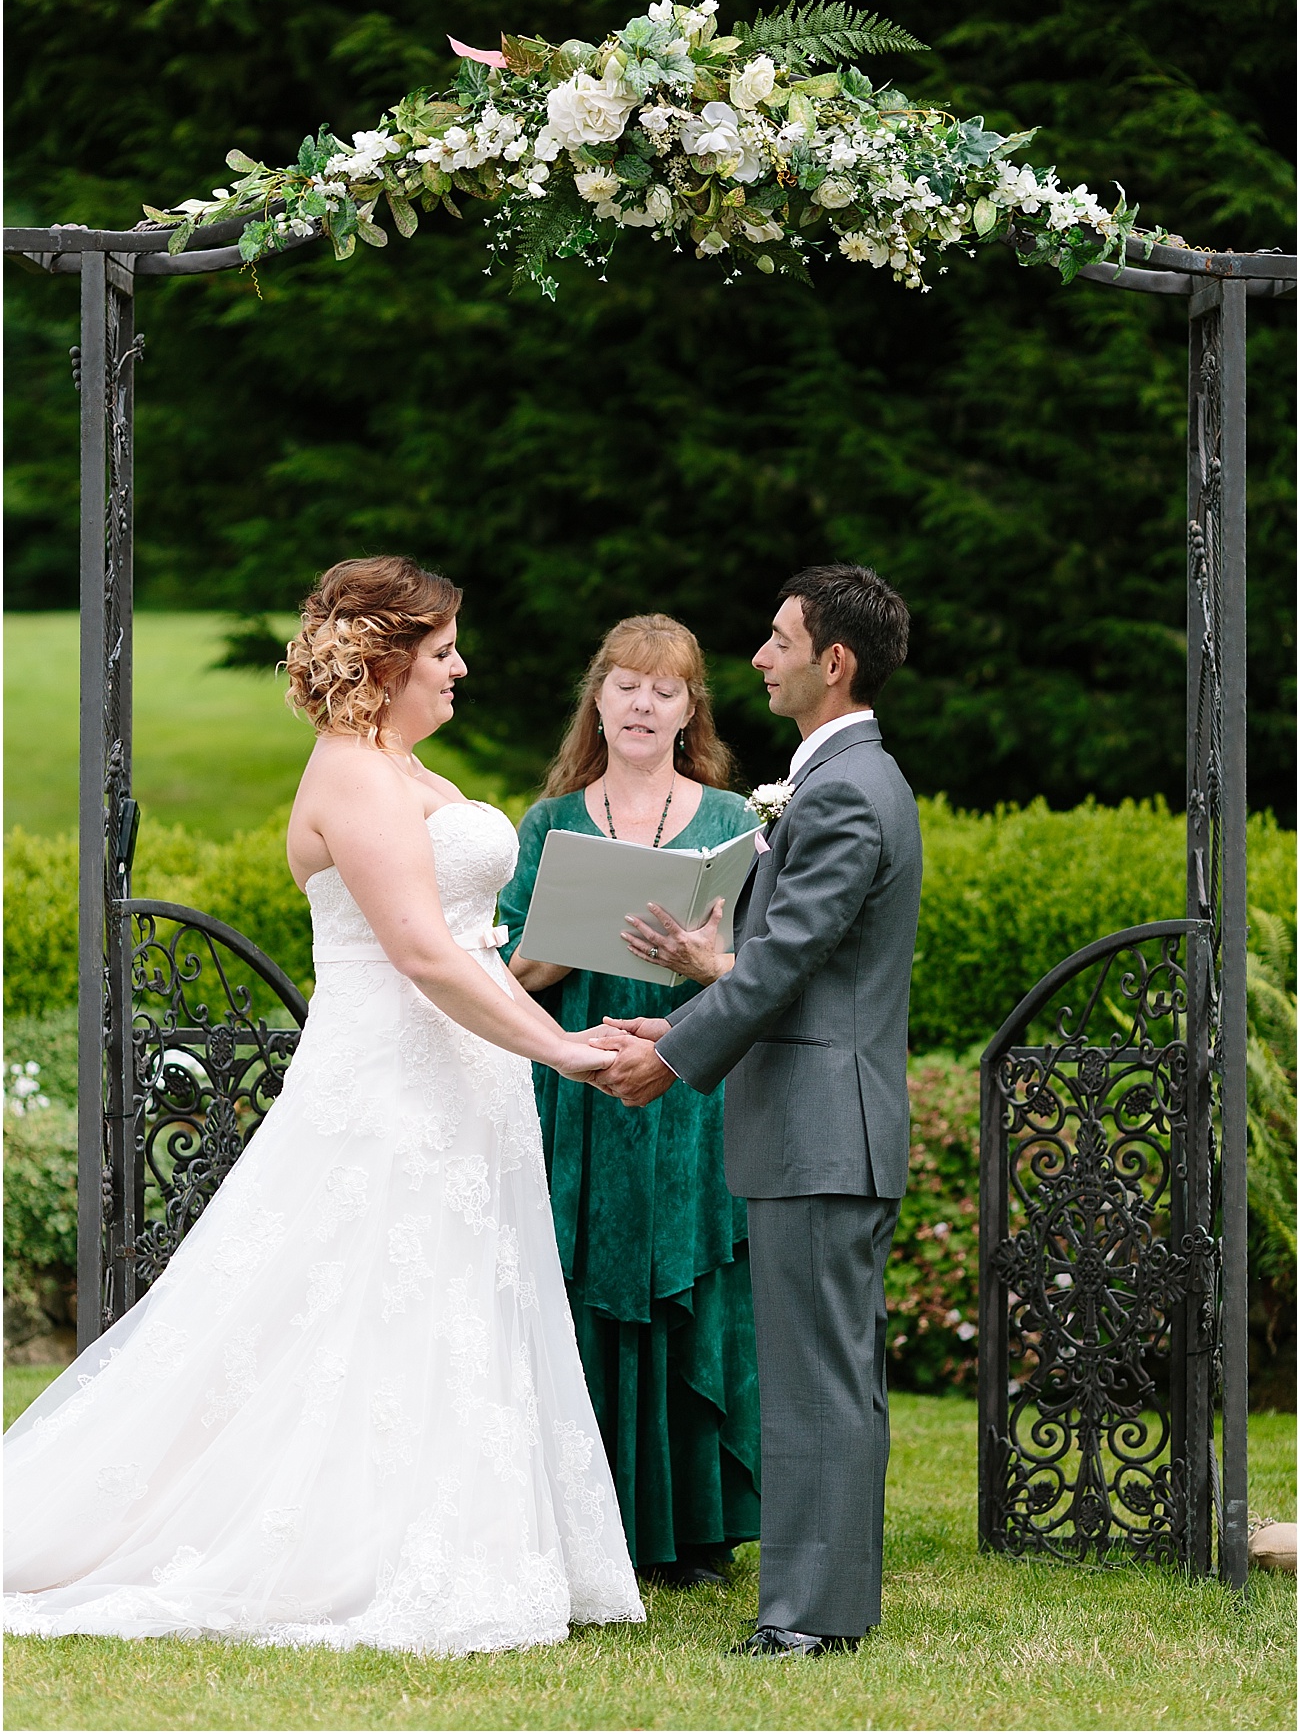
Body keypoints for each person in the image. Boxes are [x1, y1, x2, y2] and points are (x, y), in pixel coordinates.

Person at [4, 556, 643, 1655]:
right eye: (443, 652)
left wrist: (576, 1016)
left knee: (446, 1289)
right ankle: (343, 1541)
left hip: (463, 1078)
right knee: (347, 1295)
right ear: (387, 661)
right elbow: (416, 952)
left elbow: (472, 945)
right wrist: (560, 1055)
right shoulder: (351, 773)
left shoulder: (408, 770)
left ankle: (457, 1527)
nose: (462, 668)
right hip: (390, 1079)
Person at [593, 565, 921, 1658]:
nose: (759, 657)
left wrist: (673, 1058)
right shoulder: (843, 780)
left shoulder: (841, 790)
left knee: (817, 1380)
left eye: (778, 639)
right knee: (833, 1375)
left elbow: (782, 963)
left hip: (822, 1131)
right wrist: (686, 1004)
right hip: (822, 1121)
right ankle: (831, 1604)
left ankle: (806, 1618)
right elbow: (798, 969)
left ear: (833, 662)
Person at [499, 615, 761, 1586]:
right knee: (572, 1283)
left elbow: (761, 973)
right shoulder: (548, 822)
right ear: (596, 697)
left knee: (687, 1283)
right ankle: (579, 1517)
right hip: (576, 1080)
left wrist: (703, 963)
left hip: (689, 1083)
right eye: (625, 684)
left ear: (691, 708)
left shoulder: (735, 821)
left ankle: (691, 1527)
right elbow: (505, 976)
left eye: (666, 688)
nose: (643, 703)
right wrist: (556, 949)